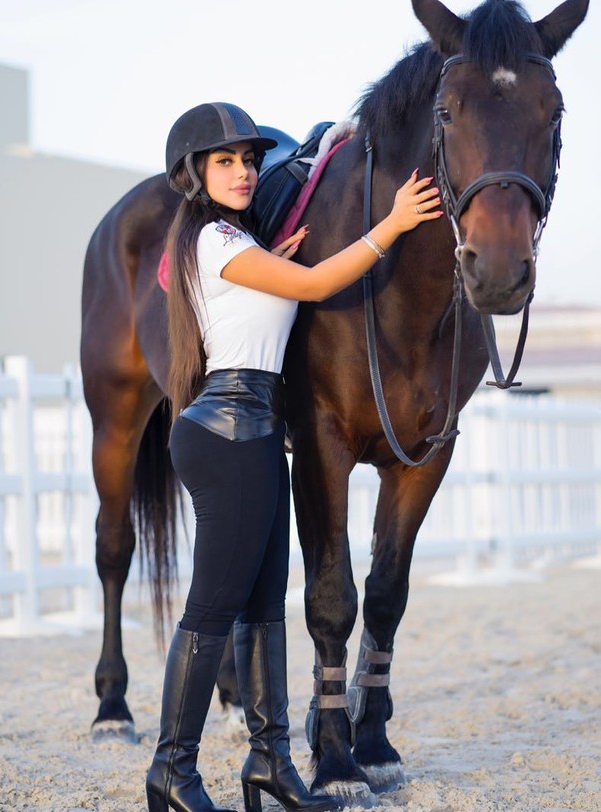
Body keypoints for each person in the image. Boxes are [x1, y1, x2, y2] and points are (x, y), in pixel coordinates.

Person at [145, 101, 443, 812]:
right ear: (193, 173)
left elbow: (271, 298)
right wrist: (393, 225)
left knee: (261, 612)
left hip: (254, 433)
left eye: (250, 160)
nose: (245, 172)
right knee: (211, 614)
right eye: (226, 161)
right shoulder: (213, 240)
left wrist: (274, 264)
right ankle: (172, 773)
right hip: (225, 431)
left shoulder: (236, 247)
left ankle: (271, 762)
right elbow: (313, 287)